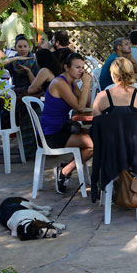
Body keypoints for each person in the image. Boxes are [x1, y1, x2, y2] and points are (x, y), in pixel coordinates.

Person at [39, 52, 93, 194]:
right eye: (77, 67)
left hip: (62, 127)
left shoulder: (71, 82)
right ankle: (64, 172)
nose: (81, 70)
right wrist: (86, 84)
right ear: (66, 67)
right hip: (51, 133)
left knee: (97, 135)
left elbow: (86, 103)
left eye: (82, 67)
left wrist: (89, 84)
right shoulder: (60, 83)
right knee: (93, 144)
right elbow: (80, 107)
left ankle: (66, 168)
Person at [92, 57, 137, 130]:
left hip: (110, 140)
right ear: (132, 73)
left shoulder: (101, 97)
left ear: (112, 75)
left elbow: (96, 126)